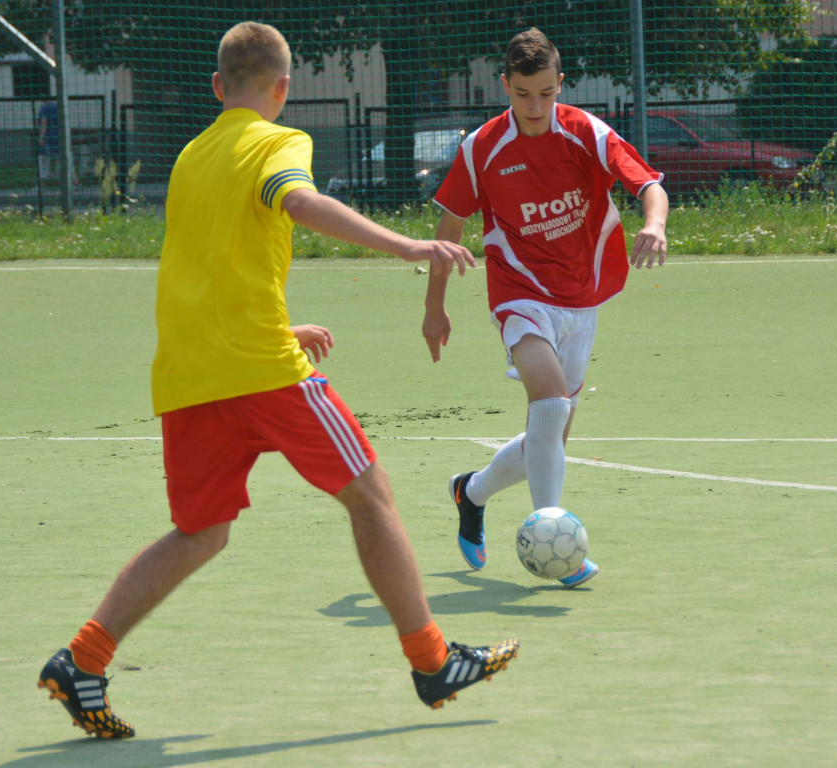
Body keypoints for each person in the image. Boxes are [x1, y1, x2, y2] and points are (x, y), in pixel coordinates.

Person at [37, 21, 518, 739]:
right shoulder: (278, 141)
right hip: (261, 372)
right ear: (284, 89)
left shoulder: (191, 156)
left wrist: (280, 325)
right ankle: (431, 660)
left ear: (216, 87)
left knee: (201, 532)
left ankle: (83, 657)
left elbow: (206, 267)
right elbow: (297, 202)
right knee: (371, 496)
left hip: (191, 373)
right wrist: (407, 244)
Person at [421, 28, 669, 585]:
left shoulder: (586, 132)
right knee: (551, 400)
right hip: (519, 293)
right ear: (506, 86)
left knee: (550, 431)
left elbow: (649, 185)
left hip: (582, 297)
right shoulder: (482, 147)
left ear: (561, 84)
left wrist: (654, 224)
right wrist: (434, 307)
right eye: (522, 95)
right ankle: (557, 546)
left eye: (545, 94)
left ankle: (472, 491)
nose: (534, 108)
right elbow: (450, 228)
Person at [36, 99, 58, 180]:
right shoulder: (58, 107)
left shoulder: (45, 108)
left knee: (43, 162)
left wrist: (41, 136)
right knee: (64, 161)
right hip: (59, 137)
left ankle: (41, 185)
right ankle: (75, 183)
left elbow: (44, 122)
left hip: (49, 138)